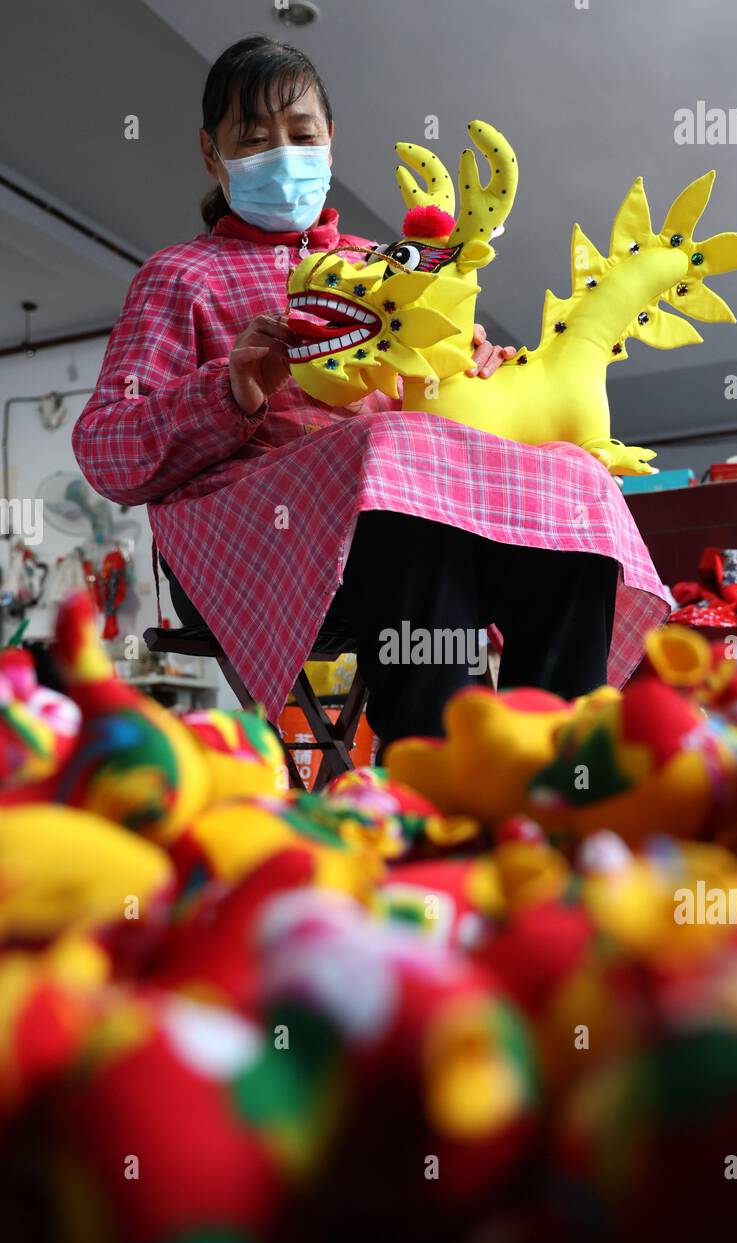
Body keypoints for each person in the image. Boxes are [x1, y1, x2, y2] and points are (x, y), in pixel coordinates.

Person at [73, 37, 666, 752]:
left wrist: (481, 376)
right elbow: (107, 453)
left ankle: (556, 758)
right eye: (254, 141)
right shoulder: (180, 277)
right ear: (211, 154)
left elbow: (447, 402)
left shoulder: (392, 267)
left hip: (420, 532)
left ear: (331, 142)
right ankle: (437, 764)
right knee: (394, 462)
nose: (283, 155)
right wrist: (229, 392)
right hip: (257, 541)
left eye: (301, 134)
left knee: (571, 475)